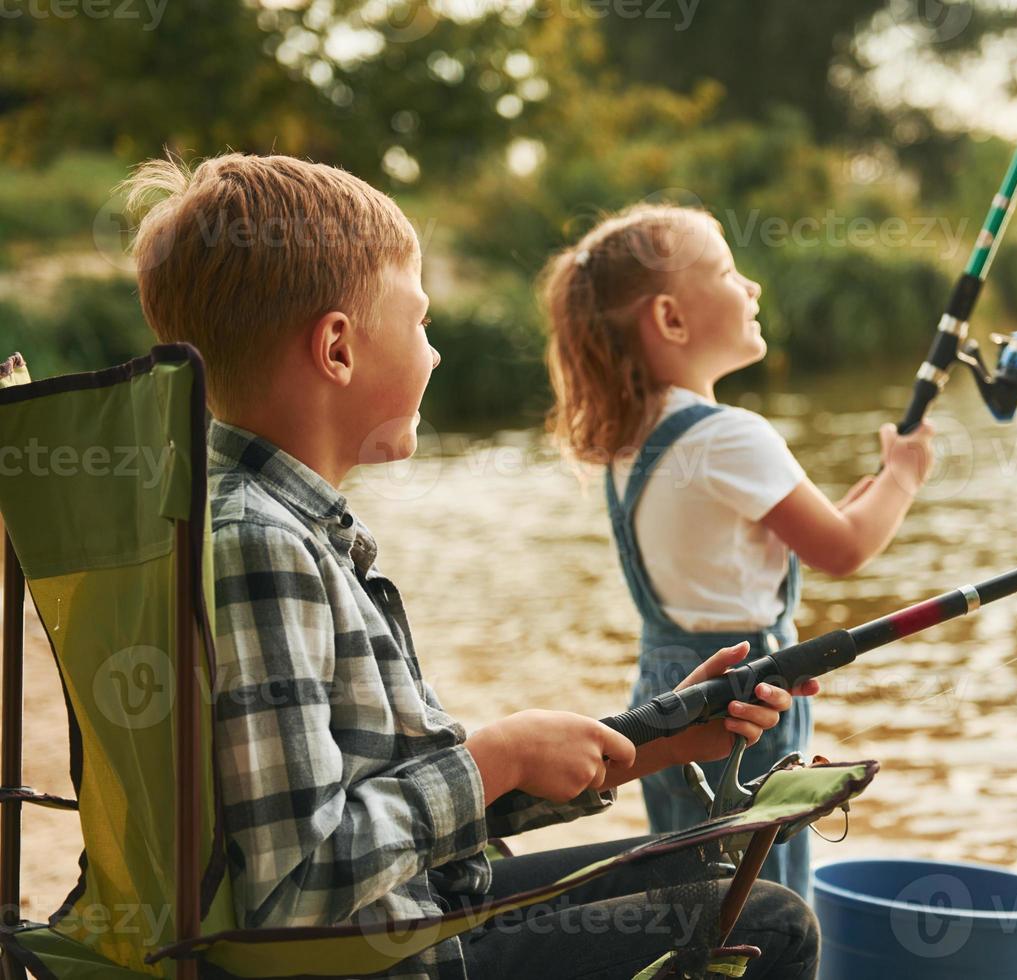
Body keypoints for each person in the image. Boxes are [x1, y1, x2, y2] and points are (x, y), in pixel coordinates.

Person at [122, 154, 820, 980]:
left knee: (706, 868)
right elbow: (299, 886)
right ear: (338, 349)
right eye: (420, 324)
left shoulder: (254, 517)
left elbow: (399, 812)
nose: (437, 354)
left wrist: (657, 741)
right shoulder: (260, 545)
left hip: (406, 909)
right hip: (390, 956)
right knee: (769, 921)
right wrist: (497, 756)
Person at [541, 204, 935, 899]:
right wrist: (902, 474)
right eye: (728, 271)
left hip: (664, 694)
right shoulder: (729, 435)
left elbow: (774, 541)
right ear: (670, 319)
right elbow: (842, 549)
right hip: (745, 698)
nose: (751, 287)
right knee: (765, 896)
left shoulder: (633, 435)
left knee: (697, 895)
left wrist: (868, 488)